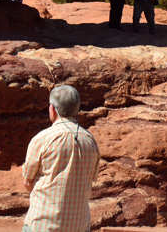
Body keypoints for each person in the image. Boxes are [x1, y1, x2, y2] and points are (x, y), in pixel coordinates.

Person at [20, 84, 99, 232]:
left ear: (53, 109)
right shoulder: (90, 140)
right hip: (79, 224)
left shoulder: (42, 138)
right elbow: (90, 180)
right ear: (77, 109)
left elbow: (27, 181)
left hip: (43, 223)